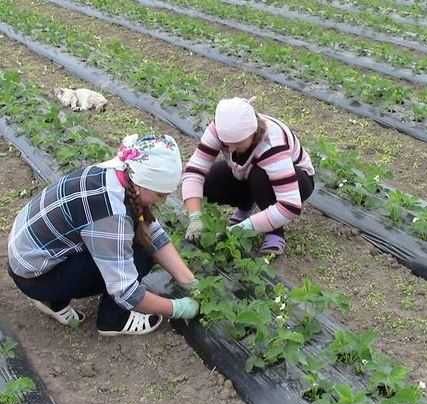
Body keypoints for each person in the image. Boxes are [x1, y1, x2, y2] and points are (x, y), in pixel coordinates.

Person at [7, 134, 200, 336]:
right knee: (140, 255)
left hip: (29, 262)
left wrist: (189, 281)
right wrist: (177, 308)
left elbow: (153, 233)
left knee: (139, 241)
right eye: (161, 194)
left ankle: (53, 300)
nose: (164, 199)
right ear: (142, 183)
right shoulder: (110, 214)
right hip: (35, 277)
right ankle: (114, 319)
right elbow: (126, 292)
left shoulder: (117, 174)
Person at [182, 97, 315, 255]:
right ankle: (246, 206)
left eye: (237, 143)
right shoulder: (219, 128)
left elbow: (289, 206)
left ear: (253, 133)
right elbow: (194, 170)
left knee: (260, 175)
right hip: (245, 172)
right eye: (226, 143)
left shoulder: (272, 144)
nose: (230, 149)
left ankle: (275, 232)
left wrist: (241, 229)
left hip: (297, 181)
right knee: (210, 181)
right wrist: (195, 216)